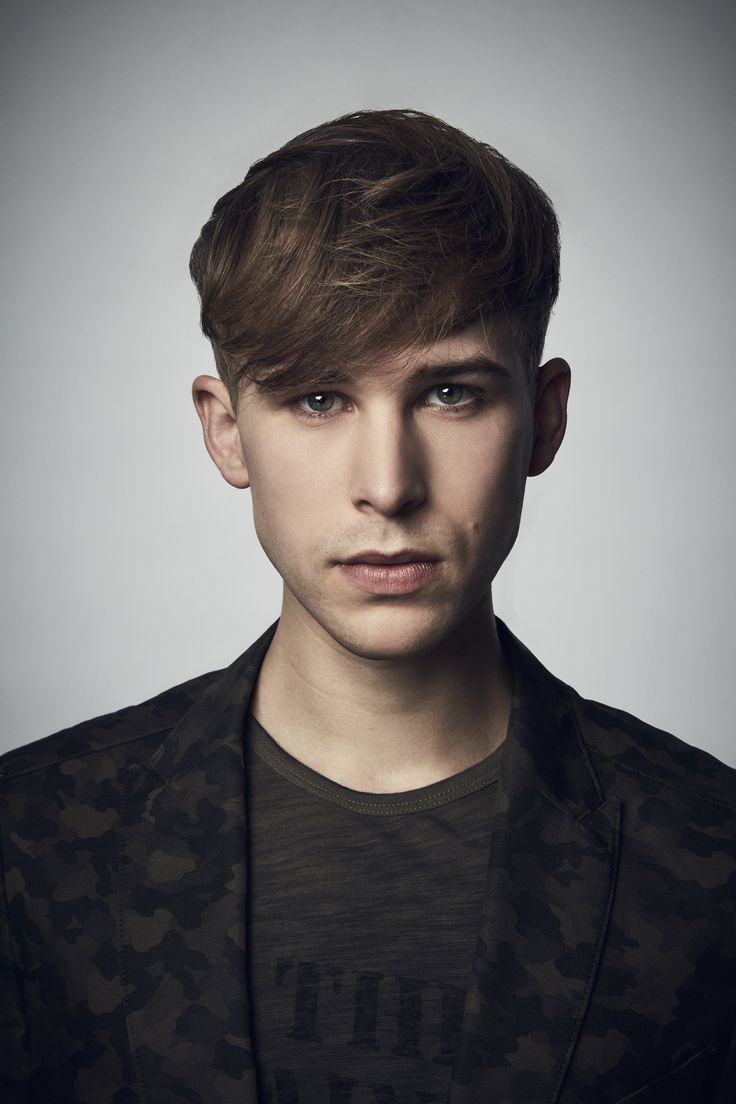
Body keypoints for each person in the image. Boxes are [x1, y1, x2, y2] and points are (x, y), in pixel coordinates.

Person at [0, 109, 733, 1104]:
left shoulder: (707, 865)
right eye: (316, 399)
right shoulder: (32, 845)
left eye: (449, 393)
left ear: (544, 417)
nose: (387, 486)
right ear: (227, 433)